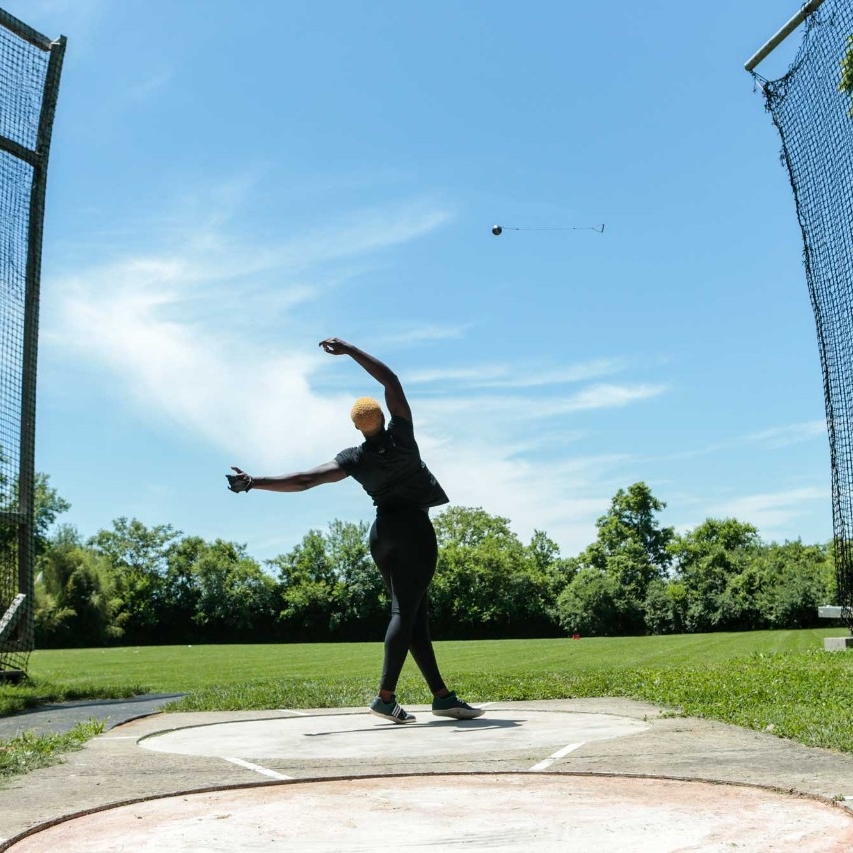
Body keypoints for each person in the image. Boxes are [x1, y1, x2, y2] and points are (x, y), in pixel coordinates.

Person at [227, 337, 483, 724]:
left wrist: (254, 481)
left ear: (359, 426)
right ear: (382, 415)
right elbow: (391, 380)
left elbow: (303, 480)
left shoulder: (355, 459)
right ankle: (385, 696)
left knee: (414, 617)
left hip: (382, 536)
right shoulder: (402, 438)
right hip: (413, 530)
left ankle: (442, 697)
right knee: (405, 613)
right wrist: (351, 351)